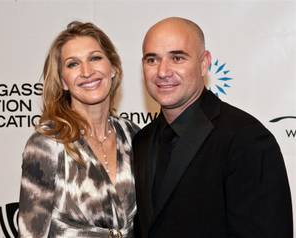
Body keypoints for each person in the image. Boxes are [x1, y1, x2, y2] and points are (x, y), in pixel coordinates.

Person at [133, 17, 293, 238]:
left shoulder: (246, 138)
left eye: (177, 57)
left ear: (204, 63)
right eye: (152, 60)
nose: (162, 71)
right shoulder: (141, 140)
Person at [18, 21, 139, 238]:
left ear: (113, 68)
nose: (86, 71)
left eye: (95, 58)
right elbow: (31, 232)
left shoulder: (132, 135)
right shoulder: (47, 143)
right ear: (63, 81)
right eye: (73, 64)